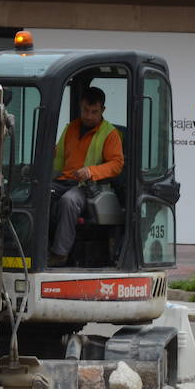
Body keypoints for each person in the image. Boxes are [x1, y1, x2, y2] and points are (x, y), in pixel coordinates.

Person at [49, 86, 123, 266]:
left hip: (88, 187)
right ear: (80, 106)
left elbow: (117, 164)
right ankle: (37, 246)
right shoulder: (71, 128)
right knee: (39, 195)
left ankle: (60, 255)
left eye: (94, 112)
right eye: (85, 111)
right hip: (63, 181)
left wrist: (91, 171)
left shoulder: (110, 134)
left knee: (69, 201)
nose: (89, 116)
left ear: (102, 110)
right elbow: (57, 161)